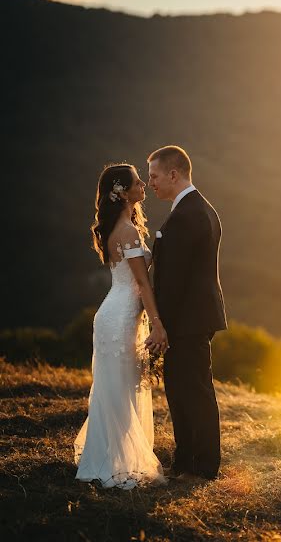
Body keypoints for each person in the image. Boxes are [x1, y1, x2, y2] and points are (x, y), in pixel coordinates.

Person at [74, 163, 167, 489]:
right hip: (121, 316)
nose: (144, 183)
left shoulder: (122, 226)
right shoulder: (127, 231)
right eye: (137, 181)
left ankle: (112, 457)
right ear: (122, 191)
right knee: (119, 388)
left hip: (114, 312)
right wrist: (157, 325)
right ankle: (118, 462)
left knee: (118, 387)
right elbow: (142, 285)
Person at [146, 145, 227, 480]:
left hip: (185, 321)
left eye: (154, 175)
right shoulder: (203, 208)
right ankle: (192, 462)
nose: (151, 183)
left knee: (187, 392)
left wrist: (160, 324)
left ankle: (198, 467)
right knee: (193, 390)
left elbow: (173, 281)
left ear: (173, 174)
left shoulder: (185, 216)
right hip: (197, 316)